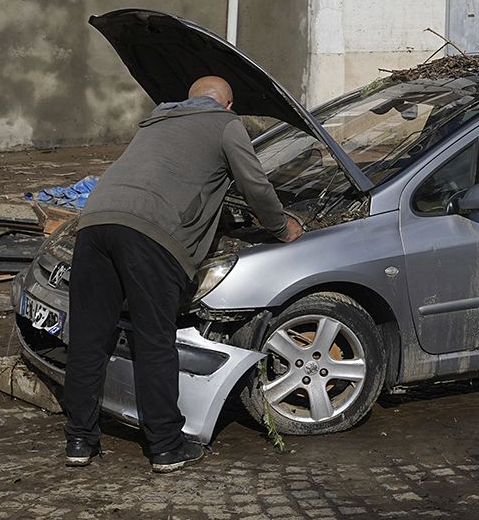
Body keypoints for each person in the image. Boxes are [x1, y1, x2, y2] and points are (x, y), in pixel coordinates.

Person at [60, 75, 303, 473]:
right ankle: (166, 447)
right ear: (227, 105)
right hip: (152, 236)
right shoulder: (226, 125)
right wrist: (284, 228)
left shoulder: (155, 122)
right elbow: (256, 186)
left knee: (89, 341)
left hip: (95, 224)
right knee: (154, 340)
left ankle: (79, 440)